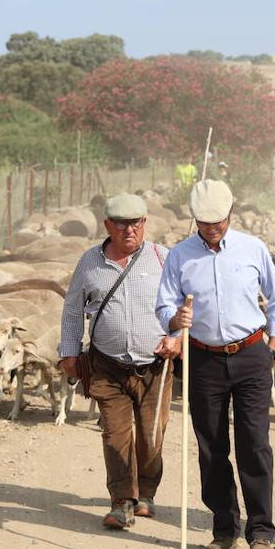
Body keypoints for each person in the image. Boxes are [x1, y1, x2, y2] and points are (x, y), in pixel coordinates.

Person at [157, 180, 275, 549]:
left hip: (251, 354)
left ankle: (261, 532)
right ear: (195, 219)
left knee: (254, 443)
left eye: (218, 221)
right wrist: (173, 318)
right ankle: (224, 528)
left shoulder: (252, 248)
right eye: (204, 222)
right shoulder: (180, 256)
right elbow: (165, 303)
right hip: (203, 359)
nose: (212, 228)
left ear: (231, 213)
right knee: (211, 446)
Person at [59, 194, 181, 529]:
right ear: (108, 225)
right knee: (115, 435)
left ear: (145, 223)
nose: (130, 230)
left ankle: (147, 492)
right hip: (107, 365)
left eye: (136, 222)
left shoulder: (163, 258)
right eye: (122, 223)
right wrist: (69, 352)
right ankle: (122, 501)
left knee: (151, 437)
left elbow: (184, 309)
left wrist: (178, 339)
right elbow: (72, 309)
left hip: (155, 367)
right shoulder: (90, 262)